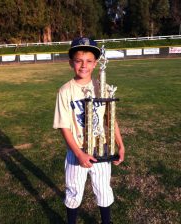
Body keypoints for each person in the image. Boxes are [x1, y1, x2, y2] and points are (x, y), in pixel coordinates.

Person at [53, 37, 125, 224]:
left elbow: (111, 119)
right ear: (71, 63)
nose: (83, 65)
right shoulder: (65, 91)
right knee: (74, 191)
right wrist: (78, 153)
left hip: (101, 150)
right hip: (76, 153)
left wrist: (120, 144)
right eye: (78, 60)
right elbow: (64, 126)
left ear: (95, 64)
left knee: (103, 190)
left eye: (89, 61)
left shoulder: (103, 88)